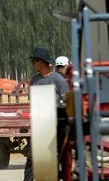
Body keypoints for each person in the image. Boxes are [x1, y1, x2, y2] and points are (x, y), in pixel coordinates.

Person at [23, 47, 69, 181]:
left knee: (55, 160)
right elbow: (33, 103)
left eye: (34, 61)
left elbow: (66, 103)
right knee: (32, 159)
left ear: (42, 62)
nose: (33, 64)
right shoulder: (34, 81)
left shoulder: (58, 80)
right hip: (39, 127)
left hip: (55, 127)